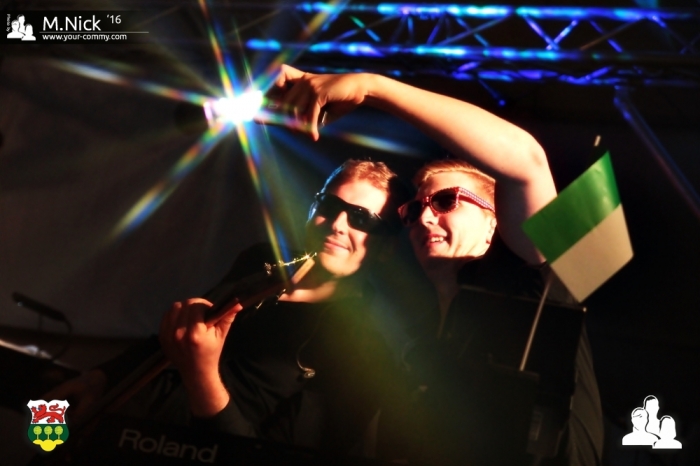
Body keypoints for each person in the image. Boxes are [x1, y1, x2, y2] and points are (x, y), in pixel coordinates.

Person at [272, 64, 604, 465]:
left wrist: (371, 87)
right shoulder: (421, 341)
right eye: (414, 210)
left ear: (493, 222)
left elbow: (527, 161)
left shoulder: (527, 284)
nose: (424, 218)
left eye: (447, 201)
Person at [48, 159, 408, 458]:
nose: (338, 225)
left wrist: (201, 375)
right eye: (329, 206)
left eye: (362, 219)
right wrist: (98, 378)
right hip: (112, 427)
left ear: (387, 248)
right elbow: (177, 341)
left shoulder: (366, 354)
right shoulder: (261, 262)